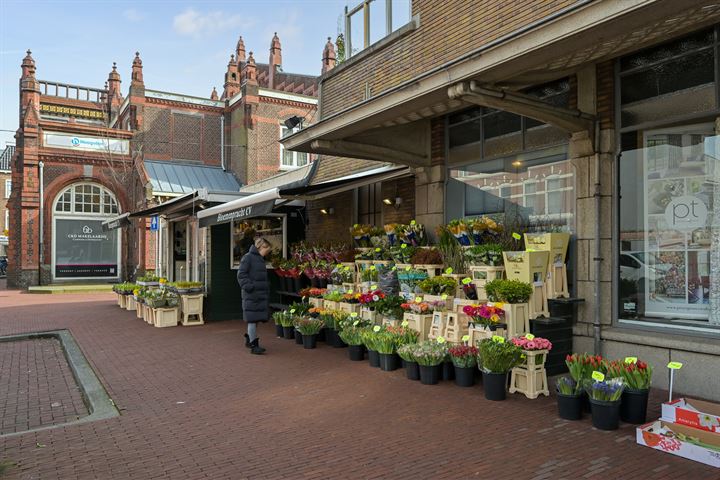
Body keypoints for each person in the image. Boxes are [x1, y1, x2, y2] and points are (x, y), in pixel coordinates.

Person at [237, 237, 272, 354]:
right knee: (252, 320)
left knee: (255, 319)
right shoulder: (248, 258)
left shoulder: (259, 259)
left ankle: (249, 339)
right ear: (261, 247)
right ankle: (254, 345)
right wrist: (249, 287)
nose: (267, 253)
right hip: (252, 294)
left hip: (258, 294)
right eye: (266, 250)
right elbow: (241, 274)